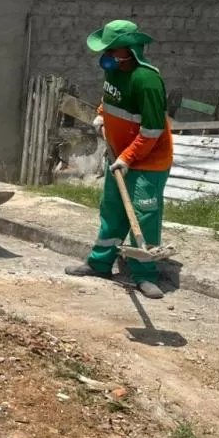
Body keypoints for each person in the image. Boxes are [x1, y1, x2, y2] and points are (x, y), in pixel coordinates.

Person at [65, 19, 174, 299]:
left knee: (143, 216)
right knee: (112, 211)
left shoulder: (147, 80)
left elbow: (152, 130)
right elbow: (111, 98)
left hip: (147, 161)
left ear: (130, 50)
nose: (107, 55)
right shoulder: (113, 70)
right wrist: (102, 114)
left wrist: (128, 157)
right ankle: (100, 264)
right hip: (119, 157)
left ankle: (145, 274)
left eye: (112, 50)